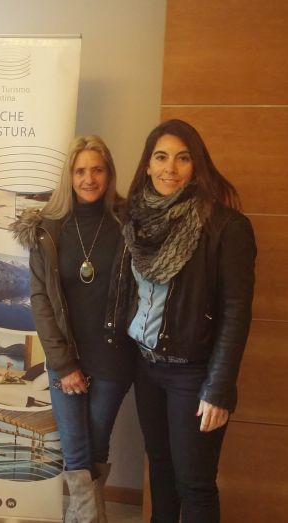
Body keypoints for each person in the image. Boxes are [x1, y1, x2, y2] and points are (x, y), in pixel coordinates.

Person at [123, 119, 256, 523]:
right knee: (161, 472)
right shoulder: (136, 221)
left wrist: (218, 388)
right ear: (148, 165)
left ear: (197, 166)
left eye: (183, 158)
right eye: (161, 157)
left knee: (194, 483)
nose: (170, 168)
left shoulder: (225, 227)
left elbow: (236, 313)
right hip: (146, 368)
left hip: (193, 375)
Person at [11, 136, 136, 522]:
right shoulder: (48, 229)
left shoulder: (129, 224)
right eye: (80, 171)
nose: (89, 178)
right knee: (77, 451)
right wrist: (64, 364)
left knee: (95, 447)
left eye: (97, 169)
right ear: (69, 176)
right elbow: (41, 302)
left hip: (114, 358)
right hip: (65, 358)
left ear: (109, 173)